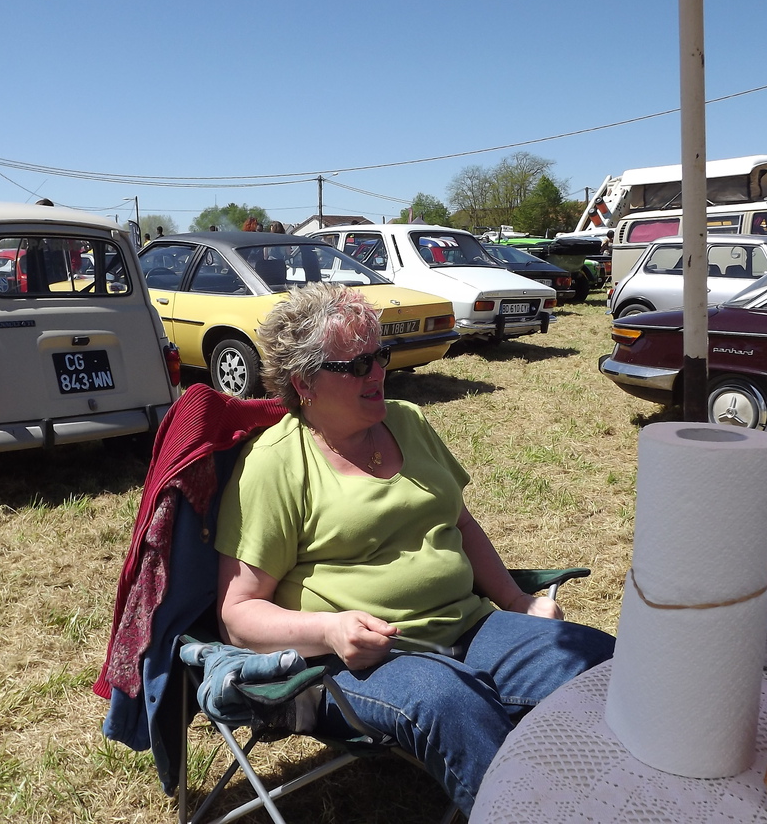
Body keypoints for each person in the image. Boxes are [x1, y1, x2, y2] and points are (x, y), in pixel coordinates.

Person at [215, 284, 614, 816]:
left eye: (379, 355)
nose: (377, 372)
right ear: (304, 382)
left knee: (602, 664)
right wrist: (329, 630)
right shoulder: (276, 464)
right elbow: (237, 614)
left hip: (469, 625)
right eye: (356, 365)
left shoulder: (407, 421)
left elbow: (461, 523)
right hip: (361, 665)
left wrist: (517, 601)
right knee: (450, 702)